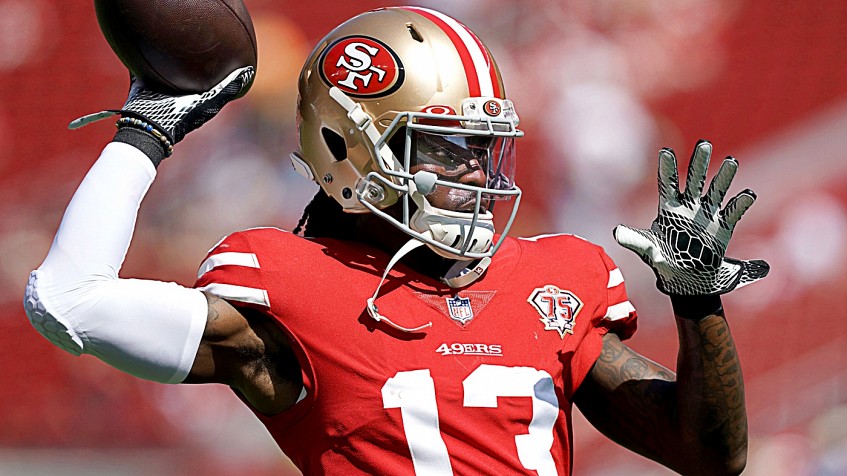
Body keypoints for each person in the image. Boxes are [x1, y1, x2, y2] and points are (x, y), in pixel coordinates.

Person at [24, 6, 769, 475]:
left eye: (484, 150)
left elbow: (709, 458)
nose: (475, 175)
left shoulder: (553, 280)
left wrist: (698, 306)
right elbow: (67, 301)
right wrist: (147, 130)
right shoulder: (289, 285)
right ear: (345, 148)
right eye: (446, 150)